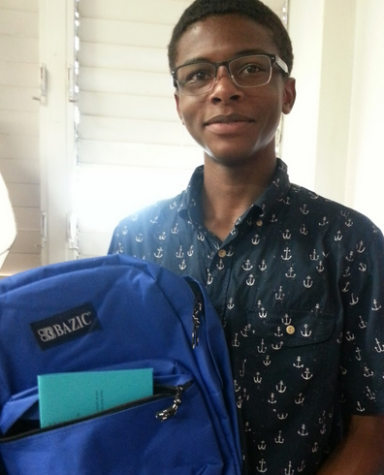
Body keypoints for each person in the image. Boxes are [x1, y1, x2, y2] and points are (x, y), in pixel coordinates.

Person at [108, 0, 384, 473]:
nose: (223, 89)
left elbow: (374, 427)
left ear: (288, 92)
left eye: (251, 68)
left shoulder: (349, 243)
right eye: (198, 75)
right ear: (179, 103)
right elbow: (115, 402)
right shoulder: (135, 241)